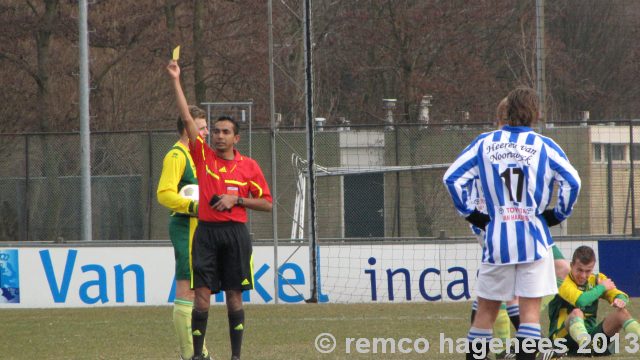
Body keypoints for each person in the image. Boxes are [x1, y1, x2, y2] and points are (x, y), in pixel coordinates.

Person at [443, 86, 581, 360]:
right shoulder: (544, 146)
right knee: (530, 314)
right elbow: (573, 181)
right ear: (535, 114)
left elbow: (452, 178)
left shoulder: (484, 143)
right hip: (533, 239)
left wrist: (474, 216)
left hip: (497, 241)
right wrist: (556, 215)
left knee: (486, 312)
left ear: (506, 112)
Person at [167, 58, 273, 360]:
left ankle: (236, 356)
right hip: (207, 234)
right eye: (215, 131)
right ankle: (198, 356)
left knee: (234, 297)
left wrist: (237, 199)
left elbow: (267, 203)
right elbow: (187, 118)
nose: (219, 135)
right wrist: (176, 80)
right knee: (200, 298)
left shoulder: (249, 166)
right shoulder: (203, 156)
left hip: (235, 234)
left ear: (236, 137)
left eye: (226, 132)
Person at [157, 107, 211, 360]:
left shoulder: (195, 154)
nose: (206, 132)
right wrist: (192, 205)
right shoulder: (176, 156)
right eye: (201, 128)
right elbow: (164, 193)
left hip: (199, 229)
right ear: (186, 129)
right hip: (185, 227)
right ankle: (190, 353)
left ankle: (199, 350)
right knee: (187, 290)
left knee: (198, 290)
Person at [548, 245, 640, 357]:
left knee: (622, 313)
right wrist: (601, 288)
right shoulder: (563, 282)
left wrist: (620, 299)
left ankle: (588, 346)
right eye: (579, 270)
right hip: (563, 342)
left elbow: (618, 293)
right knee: (577, 312)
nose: (583, 275)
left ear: (593, 268)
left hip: (592, 339)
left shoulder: (597, 280)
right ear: (572, 265)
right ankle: (585, 346)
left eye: (588, 271)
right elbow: (581, 301)